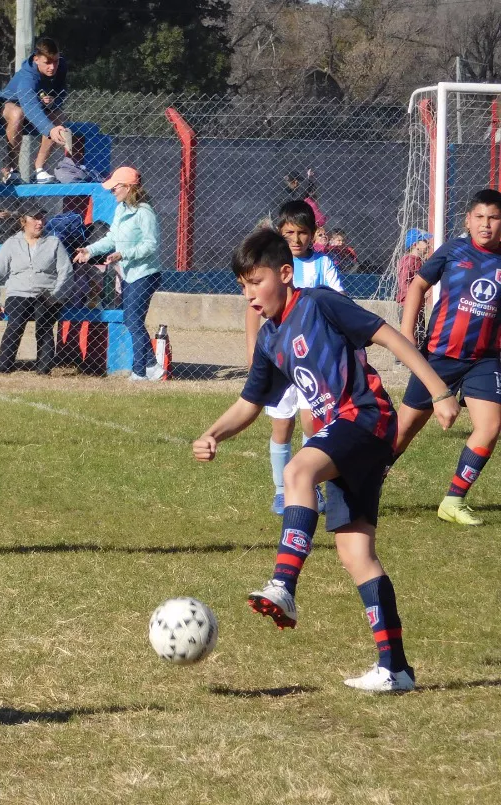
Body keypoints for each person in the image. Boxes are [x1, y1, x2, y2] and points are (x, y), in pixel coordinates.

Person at [193, 227, 460, 693]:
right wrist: (213, 433)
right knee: (356, 553)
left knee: (298, 469)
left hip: (366, 417)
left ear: (284, 273)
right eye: (242, 286)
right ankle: (394, 668)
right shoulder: (270, 340)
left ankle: (284, 585)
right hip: (344, 433)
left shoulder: (318, 303)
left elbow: (390, 338)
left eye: (256, 282)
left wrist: (438, 391)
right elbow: (249, 404)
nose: (250, 295)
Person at [393, 189, 501, 527]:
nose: (486, 224)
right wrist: (407, 334)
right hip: (438, 358)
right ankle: (367, 484)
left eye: (494, 218)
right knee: (404, 429)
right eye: (480, 217)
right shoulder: (454, 250)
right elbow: (417, 286)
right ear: (468, 221)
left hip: (484, 360)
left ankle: (453, 499)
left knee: (491, 426)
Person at [243, 199, 344, 514]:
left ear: (313, 233)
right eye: (290, 232)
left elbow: (338, 303)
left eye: (302, 232)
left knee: (313, 423)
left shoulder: (324, 265)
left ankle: (308, 484)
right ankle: (280, 490)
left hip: (312, 362)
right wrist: (252, 353)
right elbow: (253, 311)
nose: (296, 239)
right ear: (280, 233)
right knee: (281, 426)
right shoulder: (272, 266)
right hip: (279, 360)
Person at [74, 166, 163, 380]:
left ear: (128, 187)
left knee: (132, 320)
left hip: (146, 274)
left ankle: (139, 373)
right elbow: (111, 238)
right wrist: (90, 250)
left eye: (115, 188)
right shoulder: (121, 209)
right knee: (133, 321)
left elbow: (151, 246)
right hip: (129, 274)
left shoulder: (144, 212)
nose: (112, 191)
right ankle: (152, 366)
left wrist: (124, 254)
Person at [0, 206, 72, 375]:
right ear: (23, 221)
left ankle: (43, 369)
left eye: (42, 218)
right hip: (19, 292)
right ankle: (3, 368)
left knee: (44, 325)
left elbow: (66, 271)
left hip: (46, 293)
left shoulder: (53, 242)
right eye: (34, 218)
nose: (39, 222)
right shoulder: (12, 243)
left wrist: (56, 295)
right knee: (16, 323)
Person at [0, 37, 70, 184]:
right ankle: (11, 170)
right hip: (8, 105)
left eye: (55, 61)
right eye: (47, 63)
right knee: (18, 113)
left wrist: (54, 99)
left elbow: (62, 92)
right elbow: (29, 106)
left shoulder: (61, 66)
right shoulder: (27, 77)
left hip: (34, 110)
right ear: (36, 59)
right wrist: (50, 130)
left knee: (59, 116)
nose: (52, 67)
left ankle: (39, 170)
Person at [395, 227, 432, 346]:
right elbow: (403, 282)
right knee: (409, 332)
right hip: (407, 304)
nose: (428, 244)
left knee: (419, 332)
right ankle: (402, 358)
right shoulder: (408, 261)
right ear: (416, 244)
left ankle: (417, 355)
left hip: (417, 303)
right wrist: (416, 295)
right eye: (425, 242)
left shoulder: (419, 261)